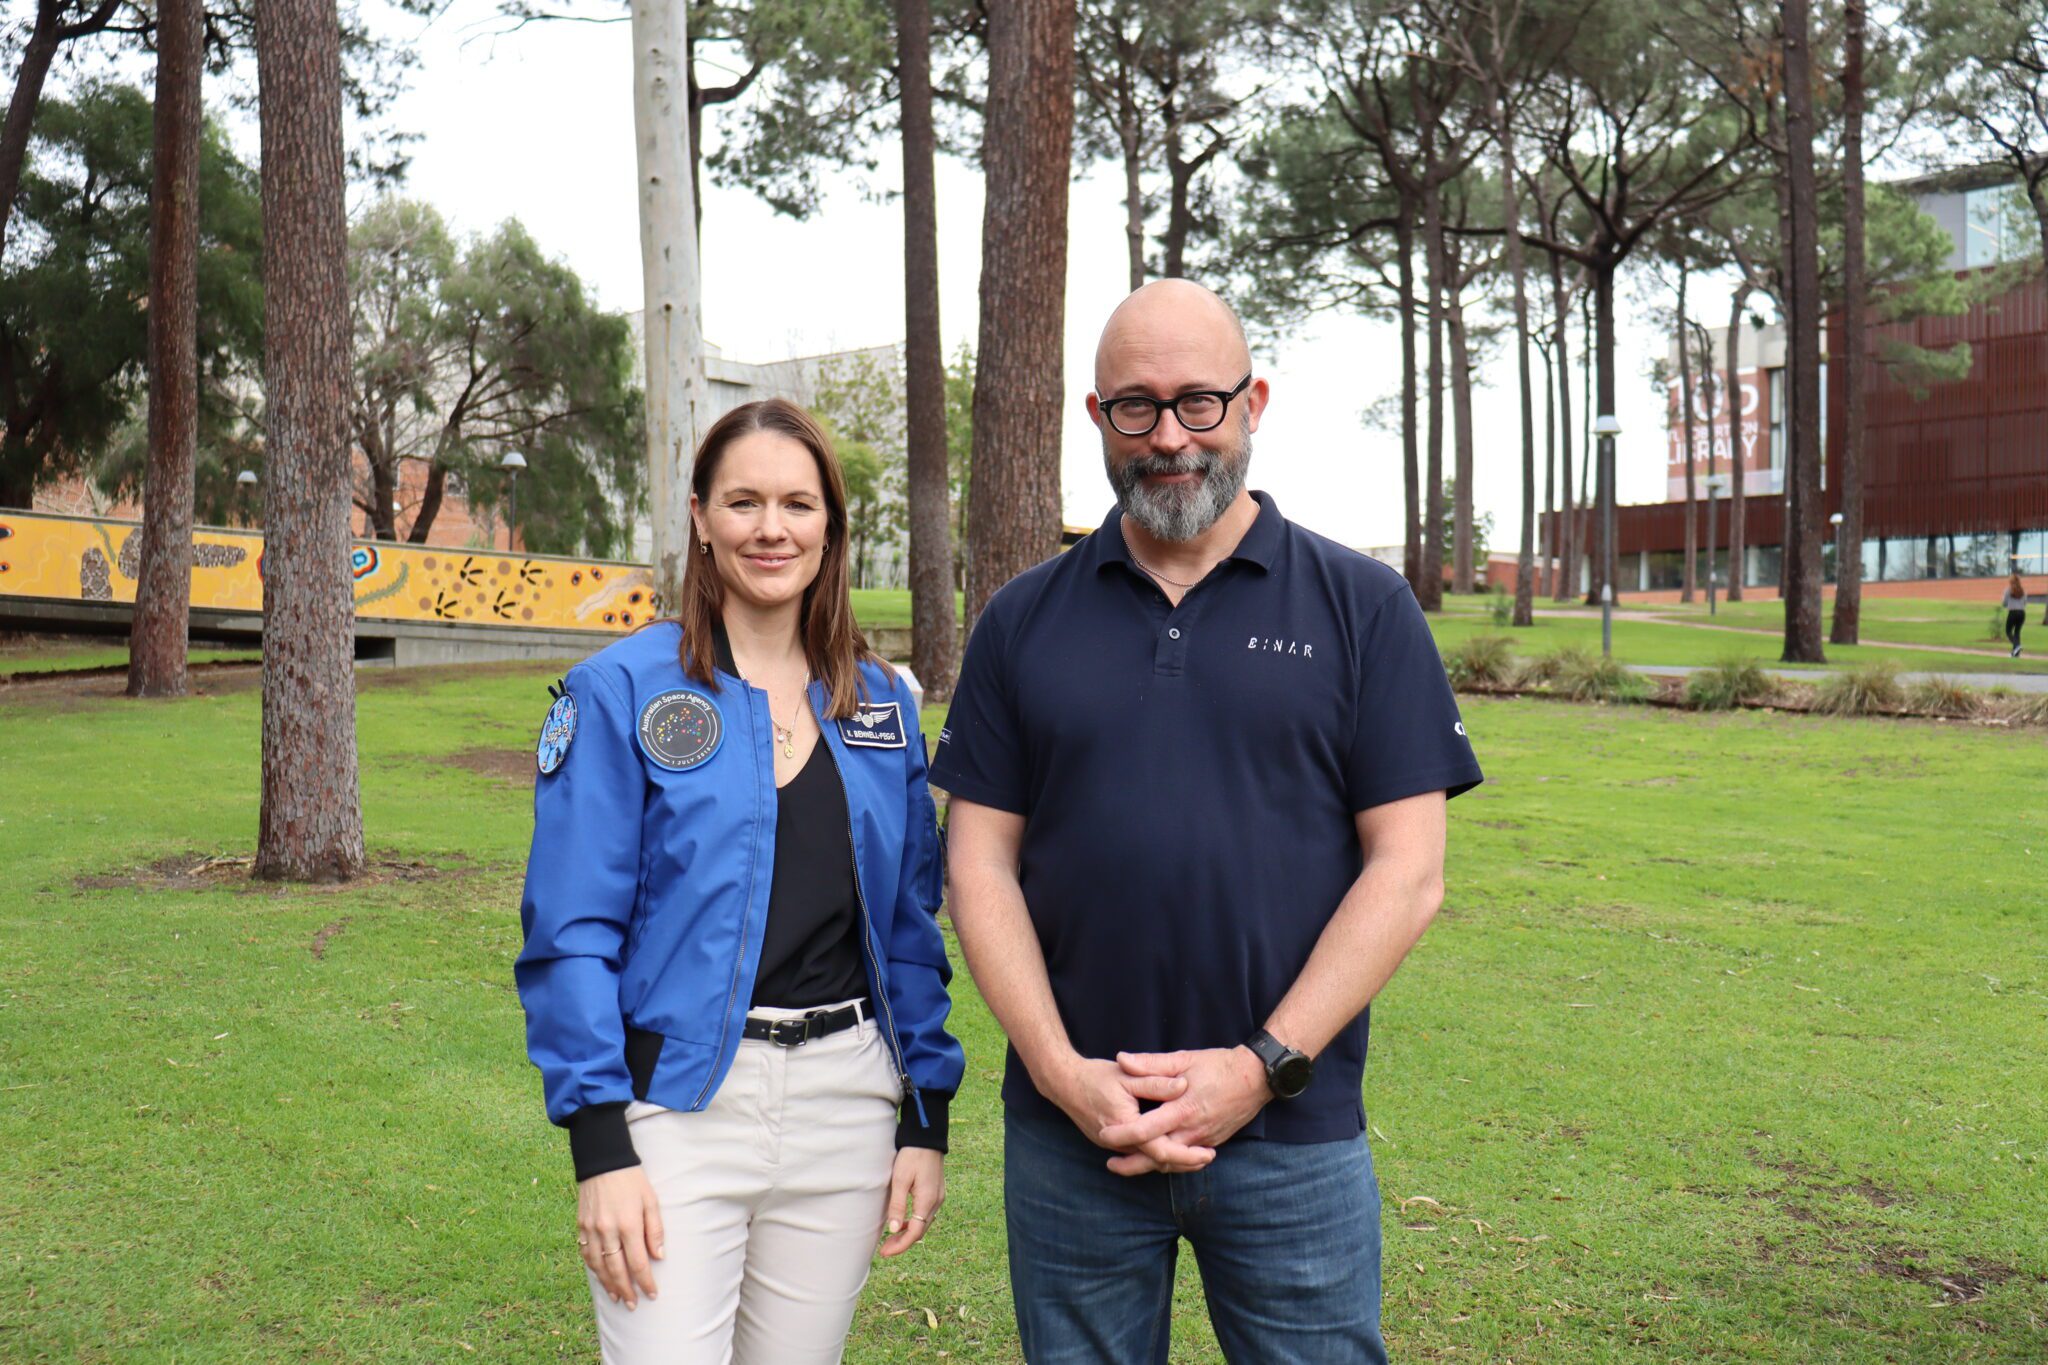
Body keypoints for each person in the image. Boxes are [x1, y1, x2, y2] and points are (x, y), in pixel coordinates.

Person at [932, 280, 1485, 1364]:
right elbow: (978, 869)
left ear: (1253, 402)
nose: (1170, 437)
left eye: (1199, 402)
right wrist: (1059, 1073)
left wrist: (1257, 1067)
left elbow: (1407, 872)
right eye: (1134, 407)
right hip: (1073, 1140)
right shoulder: (1020, 621)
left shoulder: (1361, 606)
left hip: (1291, 1135)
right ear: (1095, 419)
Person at [516, 398, 963, 1365]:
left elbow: (908, 928)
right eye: (745, 501)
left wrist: (924, 1115)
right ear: (700, 517)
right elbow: (571, 936)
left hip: (846, 1105)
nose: (772, 528)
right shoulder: (619, 691)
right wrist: (601, 1144)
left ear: (831, 527)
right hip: (678, 1109)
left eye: (799, 504)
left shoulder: (881, 704)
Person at [2002, 572, 2029, 657]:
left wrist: (2008, 604)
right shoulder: (2023, 590)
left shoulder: (2008, 590)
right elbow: (2025, 603)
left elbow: (2004, 603)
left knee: (2008, 631)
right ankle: (2016, 653)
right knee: (2017, 632)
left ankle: (2017, 645)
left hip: (2013, 612)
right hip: (2022, 613)